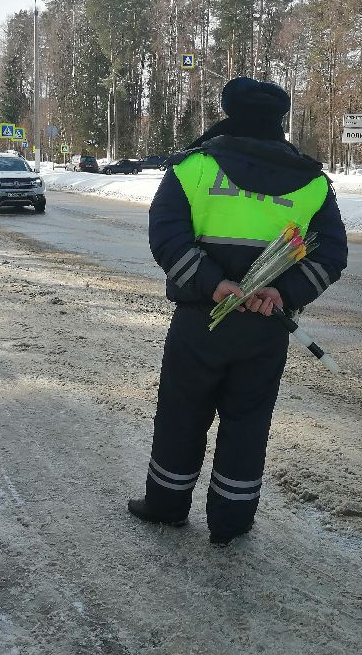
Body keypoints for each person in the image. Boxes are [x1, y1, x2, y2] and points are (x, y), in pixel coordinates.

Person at [128, 77, 348, 546]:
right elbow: (332, 255)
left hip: (200, 321)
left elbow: (166, 236)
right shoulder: (312, 183)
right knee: (248, 423)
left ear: (230, 112)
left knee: (182, 414)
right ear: (278, 120)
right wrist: (282, 293)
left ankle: (166, 505)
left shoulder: (195, 167)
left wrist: (213, 284)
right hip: (266, 327)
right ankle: (231, 522)